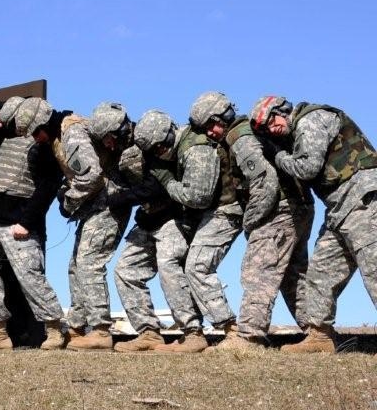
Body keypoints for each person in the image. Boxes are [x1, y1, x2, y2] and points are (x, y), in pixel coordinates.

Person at [249, 96, 377, 352]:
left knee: (374, 269)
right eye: (264, 129)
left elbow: (307, 168)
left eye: (271, 120)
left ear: (283, 110)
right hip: (340, 209)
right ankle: (320, 336)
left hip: (363, 200)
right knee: (320, 273)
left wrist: (278, 155)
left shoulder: (310, 120)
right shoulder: (298, 131)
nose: (271, 128)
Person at [209, 107, 314, 350]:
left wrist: (252, 221)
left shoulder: (240, 137)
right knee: (293, 276)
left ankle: (249, 336)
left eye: (209, 125)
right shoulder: (249, 133)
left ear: (219, 119)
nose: (208, 132)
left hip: (280, 210)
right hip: (298, 207)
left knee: (257, 271)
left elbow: (265, 181)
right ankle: (318, 331)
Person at [148, 92, 244, 352]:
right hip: (212, 212)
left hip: (227, 210)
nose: (212, 132)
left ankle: (232, 331)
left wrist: (168, 182)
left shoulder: (196, 149)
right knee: (171, 260)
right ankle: (192, 332)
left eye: (159, 147)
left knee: (197, 266)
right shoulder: (188, 142)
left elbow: (197, 197)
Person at [0, 96, 64, 354]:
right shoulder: (1, 137)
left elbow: (47, 188)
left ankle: (54, 329)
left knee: (30, 276)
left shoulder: (41, 144)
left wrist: (26, 221)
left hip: (16, 221)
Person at [113, 110, 203, 352]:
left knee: (168, 265)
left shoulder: (167, 148)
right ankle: (148, 332)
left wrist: (119, 199)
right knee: (125, 270)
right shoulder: (139, 149)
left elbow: (155, 188)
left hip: (173, 218)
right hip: (147, 220)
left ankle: (192, 331)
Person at [54, 102, 138, 351]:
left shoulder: (135, 144)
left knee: (90, 263)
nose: (110, 145)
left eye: (112, 139)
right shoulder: (85, 133)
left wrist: (69, 201)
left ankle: (100, 330)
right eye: (106, 141)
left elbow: (92, 177)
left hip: (110, 207)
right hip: (96, 207)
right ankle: (78, 327)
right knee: (76, 265)